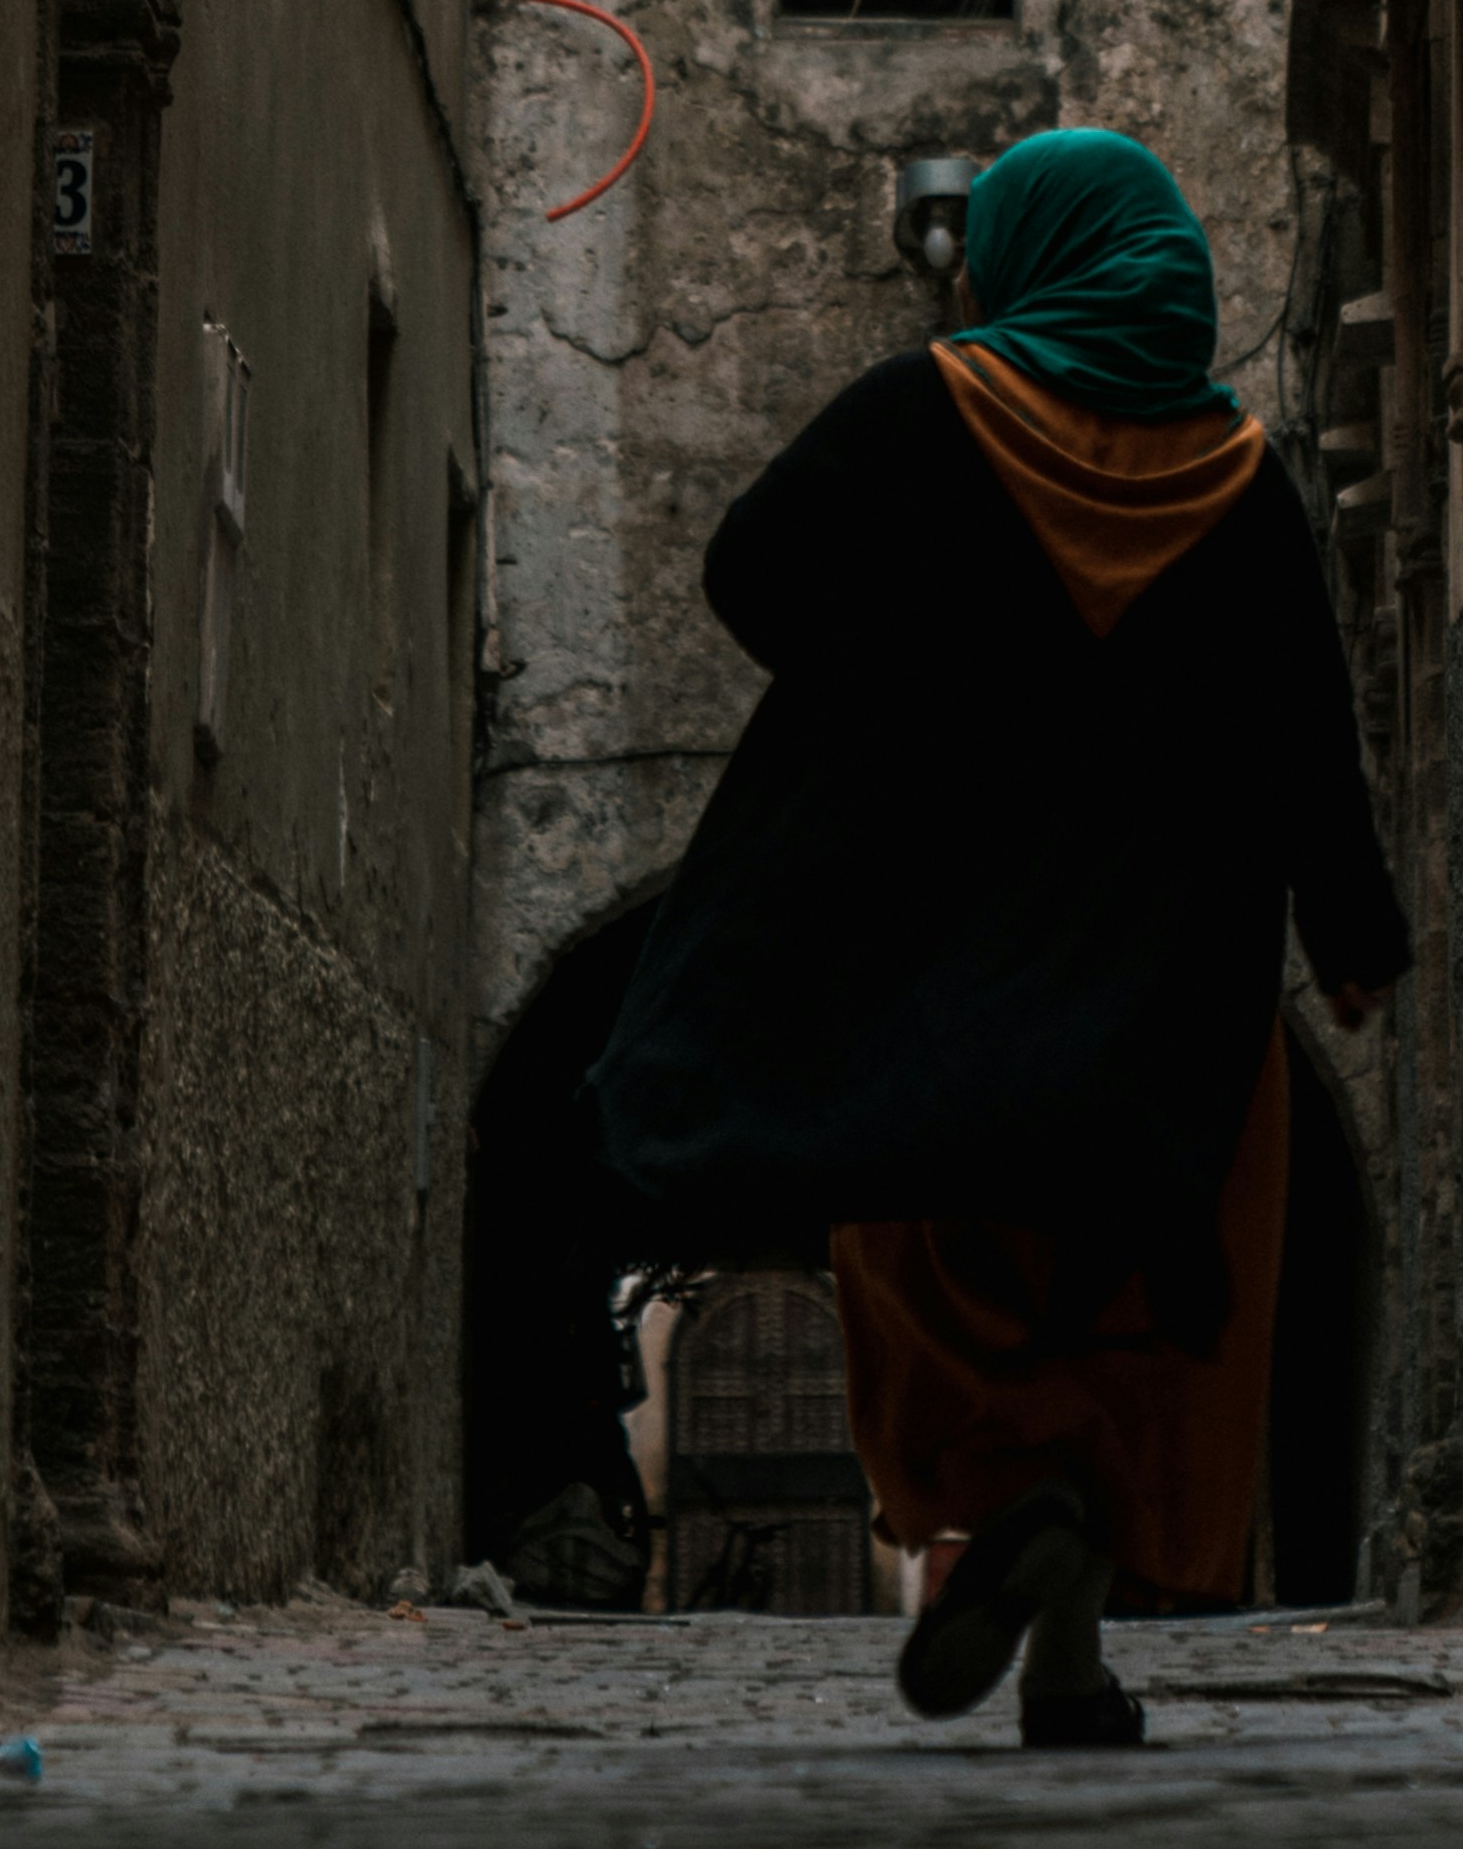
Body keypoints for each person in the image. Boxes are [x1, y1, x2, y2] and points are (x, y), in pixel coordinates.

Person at [589, 124, 1408, 1746]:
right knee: (1138, 1320)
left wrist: (902, 680)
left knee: (929, 1259)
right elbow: (1310, 730)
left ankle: (982, 1527)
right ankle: (1076, 1659)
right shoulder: (1243, 483)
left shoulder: (924, 412)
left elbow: (751, 567)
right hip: (1170, 988)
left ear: (1022, 255)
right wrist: (1352, 933)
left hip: (938, 956)